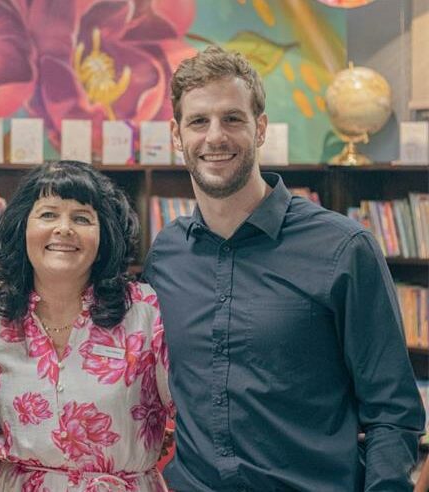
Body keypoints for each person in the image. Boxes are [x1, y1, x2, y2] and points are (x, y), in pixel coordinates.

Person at [143, 45, 424, 490]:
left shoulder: (344, 249)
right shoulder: (166, 256)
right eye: (199, 121)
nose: (215, 136)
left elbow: (393, 412)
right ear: (177, 135)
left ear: (260, 129)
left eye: (232, 118)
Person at [0, 160, 175, 491]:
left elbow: (192, 411)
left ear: (105, 235)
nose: (64, 228)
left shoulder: (145, 312)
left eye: (82, 218)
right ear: (23, 228)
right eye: (48, 214)